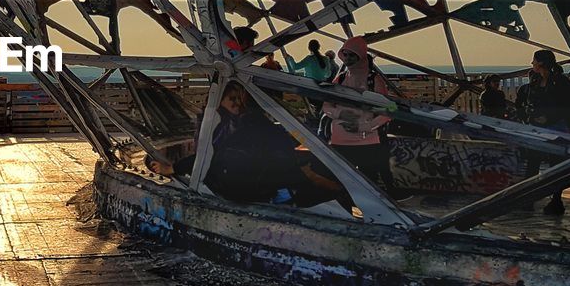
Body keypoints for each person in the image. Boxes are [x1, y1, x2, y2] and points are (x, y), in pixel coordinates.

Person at [150, 82, 342, 206]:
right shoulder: (226, 123)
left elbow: (214, 155)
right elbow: (212, 154)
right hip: (252, 187)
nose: (237, 103)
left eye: (238, 99)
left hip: (249, 187)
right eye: (232, 99)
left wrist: (174, 168)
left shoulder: (239, 124)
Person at [321, 37, 399, 194]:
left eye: (352, 55)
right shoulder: (341, 78)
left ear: (360, 56)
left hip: (367, 140)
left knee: (369, 181)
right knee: (339, 180)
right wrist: (341, 113)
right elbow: (326, 106)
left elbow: (388, 110)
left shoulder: (374, 80)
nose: (348, 58)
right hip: (341, 139)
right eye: (346, 54)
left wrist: (363, 126)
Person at [523, 49, 570, 216]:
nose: (532, 63)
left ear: (541, 63)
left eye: (534, 60)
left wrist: (549, 117)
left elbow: (569, 105)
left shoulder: (560, 82)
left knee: (555, 166)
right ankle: (528, 198)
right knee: (532, 164)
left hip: (556, 127)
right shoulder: (535, 81)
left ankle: (556, 200)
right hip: (537, 127)